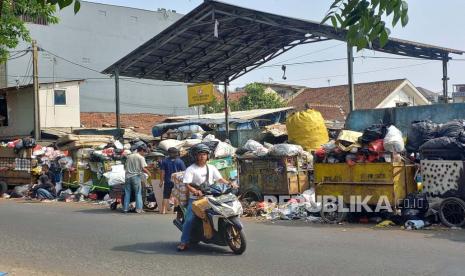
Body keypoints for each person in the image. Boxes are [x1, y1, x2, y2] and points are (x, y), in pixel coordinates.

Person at [177, 143, 236, 251]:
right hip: (196, 199)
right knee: (189, 220)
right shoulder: (191, 169)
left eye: (204, 154)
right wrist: (195, 191)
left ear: (208, 156)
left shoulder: (211, 167)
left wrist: (229, 183)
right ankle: (183, 241)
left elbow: (219, 179)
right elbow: (187, 184)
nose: (202, 156)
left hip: (211, 196)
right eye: (199, 154)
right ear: (195, 156)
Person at [124, 143, 151, 214]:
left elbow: (125, 167)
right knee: (138, 193)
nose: (145, 153)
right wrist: (149, 173)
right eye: (145, 152)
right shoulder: (141, 157)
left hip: (127, 177)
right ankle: (139, 209)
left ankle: (125, 209)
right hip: (135, 177)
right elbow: (143, 168)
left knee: (127, 193)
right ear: (141, 150)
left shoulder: (129, 156)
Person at [159, 147, 186, 214]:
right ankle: (176, 210)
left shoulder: (164, 161)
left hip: (167, 181)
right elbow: (183, 172)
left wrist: (161, 181)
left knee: (165, 196)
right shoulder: (180, 161)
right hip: (176, 181)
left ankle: (163, 210)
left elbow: (163, 172)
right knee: (176, 195)